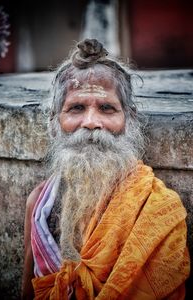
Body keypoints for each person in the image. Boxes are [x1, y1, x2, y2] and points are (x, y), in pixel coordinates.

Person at [21, 39, 190, 300]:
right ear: (54, 123)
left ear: (129, 120)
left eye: (107, 108)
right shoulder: (40, 203)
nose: (91, 122)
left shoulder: (157, 207)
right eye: (76, 108)